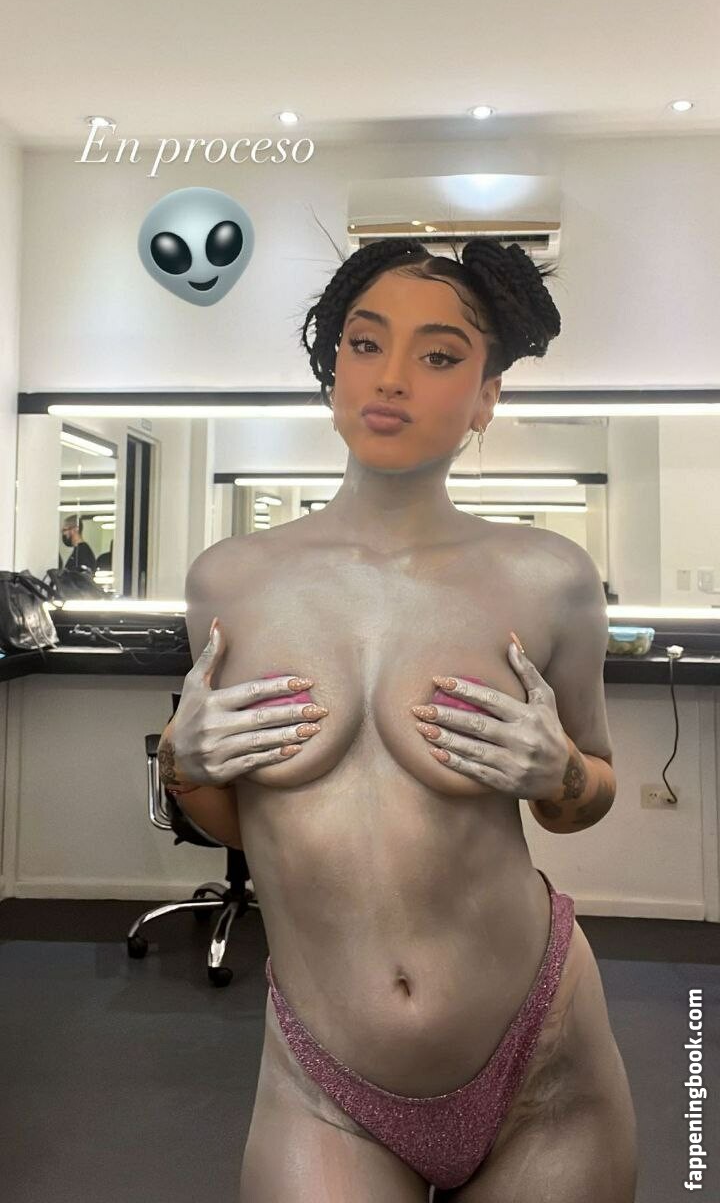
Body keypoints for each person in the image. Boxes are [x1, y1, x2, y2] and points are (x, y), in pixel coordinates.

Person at [162, 237, 638, 1202]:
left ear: (486, 397)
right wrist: (183, 764)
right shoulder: (230, 581)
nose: (390, 377)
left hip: (545, 1055)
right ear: (332, 367)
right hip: (324, 1079)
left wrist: (558, 771)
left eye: (439, 355)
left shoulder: (550, 578)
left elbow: (587, 795)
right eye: (364, 342)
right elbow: (243, 823)